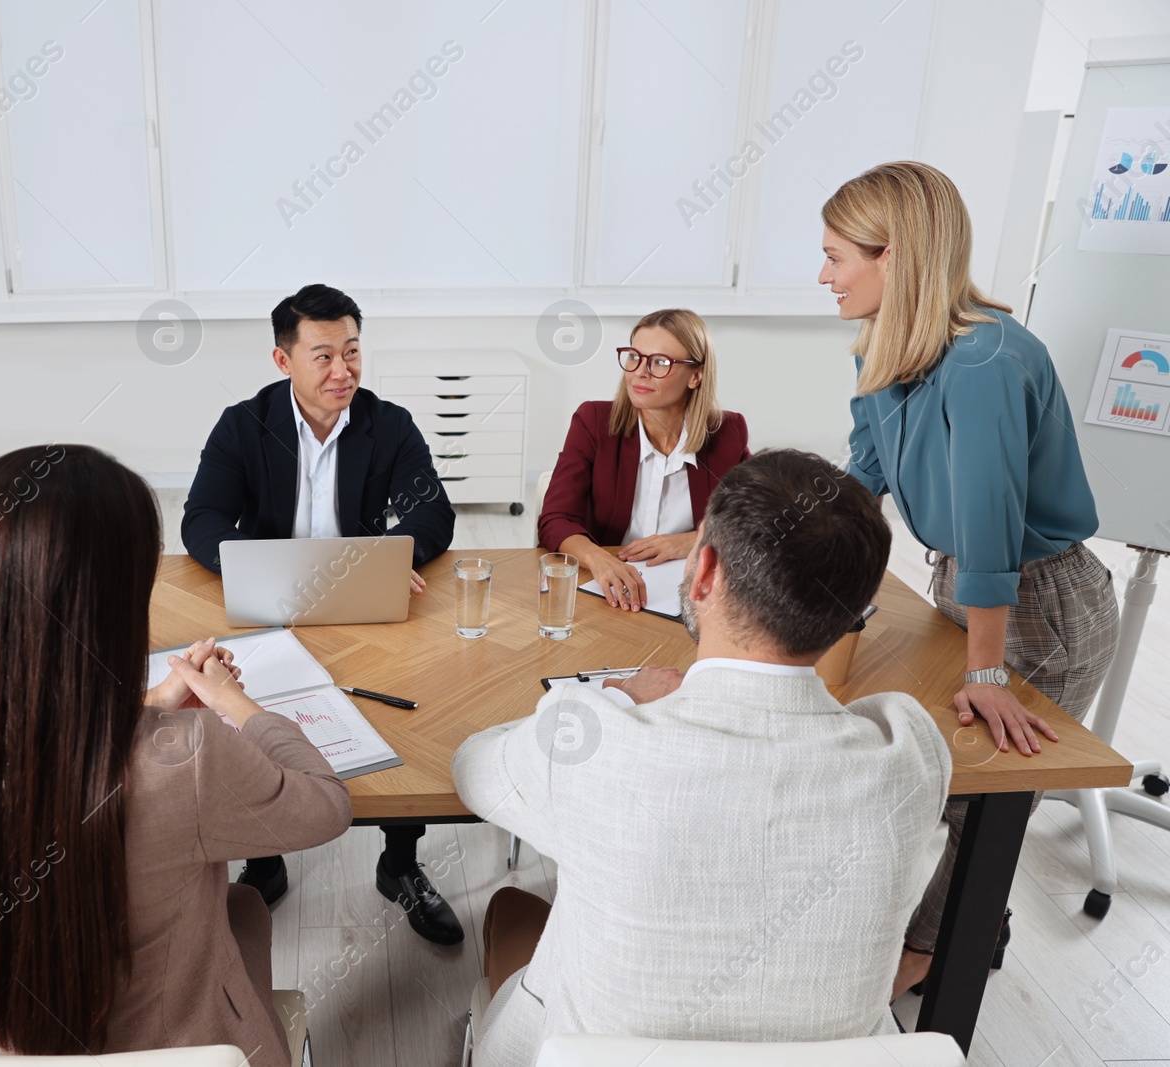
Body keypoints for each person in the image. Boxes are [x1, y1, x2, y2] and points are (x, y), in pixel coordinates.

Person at [0, 445, 352, 1060]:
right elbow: (324, 806)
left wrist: (148, 707)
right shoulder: (190, 760)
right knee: (244, 905)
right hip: (175, 1048)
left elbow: (37, 751)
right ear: (113, 605)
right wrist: (237, 706)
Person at [455, 450, 950, 1067]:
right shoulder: (910, 753)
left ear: (705, 571)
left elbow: (473, 769)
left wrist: (608, 697)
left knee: (509, 907)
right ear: (855, 610)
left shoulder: (595, 743)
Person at [819, 161, 1120, 999]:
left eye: (837, 255)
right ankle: (968, 923)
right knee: (933, 777)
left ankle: (937, 954)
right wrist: (805, 578)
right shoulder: (885, 348)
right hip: (963, 583)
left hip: (1040, 599)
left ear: (894, 256)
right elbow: (862, 481)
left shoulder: (986, 359)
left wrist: (987, 671)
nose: (824, 275)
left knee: (975, 798)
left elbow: (990, 526)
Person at [182, 283, 463, 945]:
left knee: (400, 712)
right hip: (272, 608)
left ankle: (400, 865)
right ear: (283, 360)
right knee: (251, 716)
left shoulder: (386, 423)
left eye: (353, 352)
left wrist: (396, 554)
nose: (344, 371)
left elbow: (433, 511)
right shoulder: (242, 424)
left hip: (364, 602)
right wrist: (266, 566)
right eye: (324, 356)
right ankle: (265, 857)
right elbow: (203, 518)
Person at [538, 308, 749, 611]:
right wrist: (599, 559)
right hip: (602, 595)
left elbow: (758, 521)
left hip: (686, 601)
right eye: (634, 356)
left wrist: (692, 540)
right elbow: (555, 519)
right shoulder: (593, 422)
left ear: (696, 375)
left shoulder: (727, 432)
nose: (640, 371)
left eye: (660, 362)